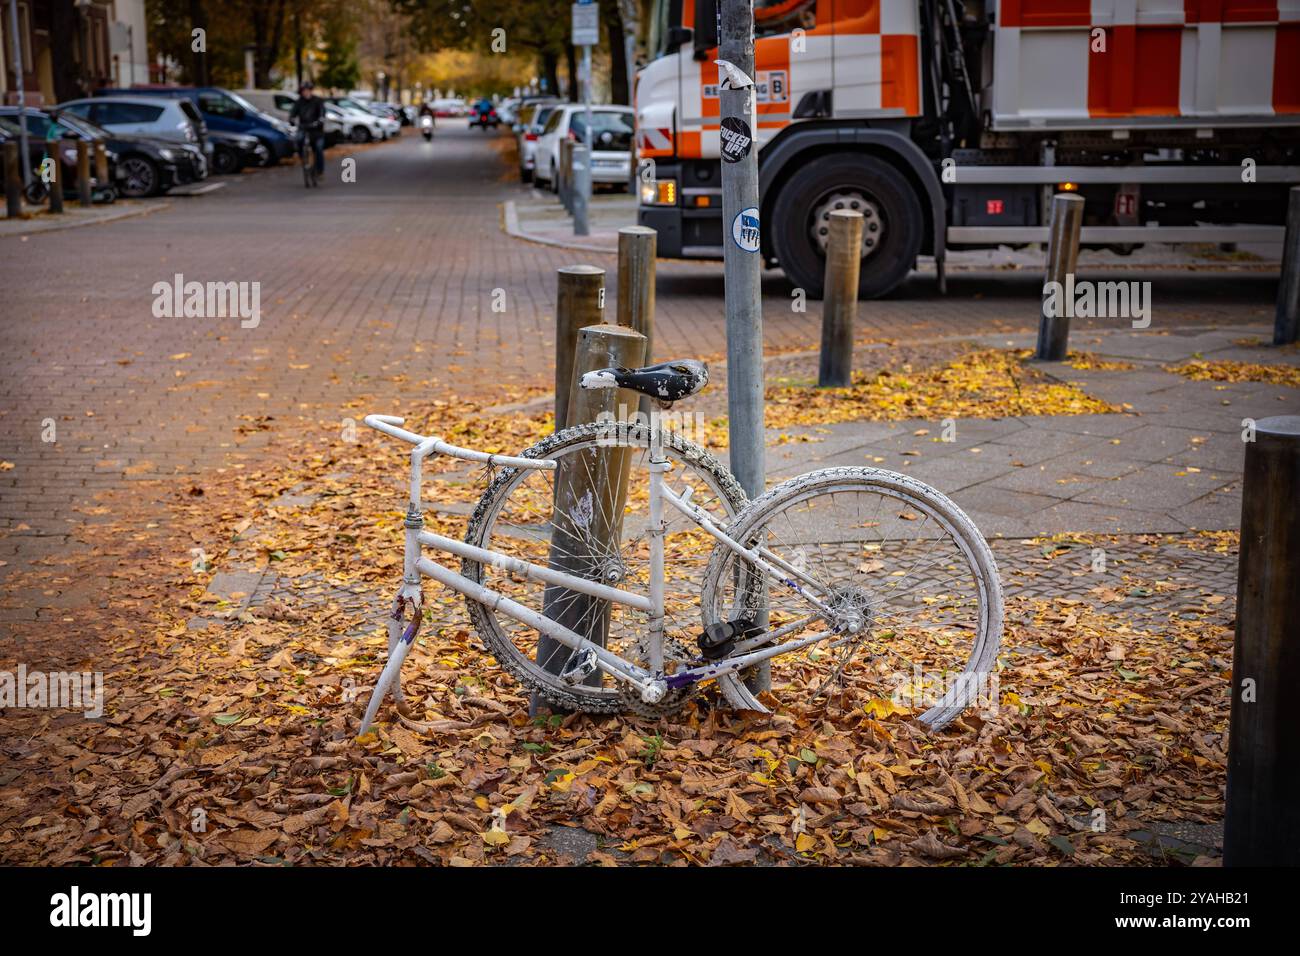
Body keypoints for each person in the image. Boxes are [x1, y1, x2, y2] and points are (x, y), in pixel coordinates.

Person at [289, 82, 327, 180]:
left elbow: (322, 113)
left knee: (318, 148)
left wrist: (320, 120)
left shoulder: (318, 101)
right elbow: (293, 113)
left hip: (316, 130)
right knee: (298, 140)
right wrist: (292, 119)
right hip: (304, 127)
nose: (305, 93)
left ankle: (320, 171)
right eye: (303, 91)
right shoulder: (299, 102)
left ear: (310, 91)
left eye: (307, 90)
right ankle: (304, 159)